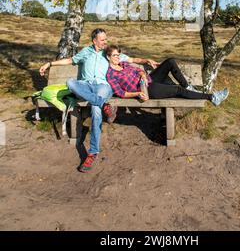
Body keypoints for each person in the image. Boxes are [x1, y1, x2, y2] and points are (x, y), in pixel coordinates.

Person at [39, 28, 159, 172]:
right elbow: (71, 60)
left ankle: (93, 152)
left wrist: (147, 60)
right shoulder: (85, 52)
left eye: (106, 39)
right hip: (86, 86)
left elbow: (131, 60)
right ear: (94, 40)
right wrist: (49, 64)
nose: (105, 42)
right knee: (71, 82)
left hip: (103, 87)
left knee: (96, 111)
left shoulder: (108, 53)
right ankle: (102, 104)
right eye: (102, 40)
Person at [106, 44, 229, 105]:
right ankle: (212, 98)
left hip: (148, 79)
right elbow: (121, 93)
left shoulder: (123, 64)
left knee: (170, 61)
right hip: (146, 89)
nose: (117, 57)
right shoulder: (111, 75)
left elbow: (138, 70)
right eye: (114, 55)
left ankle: (187, 87)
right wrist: (138, 93)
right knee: (176, 89)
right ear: (108, 57)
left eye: (118, 55)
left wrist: (143, 74)